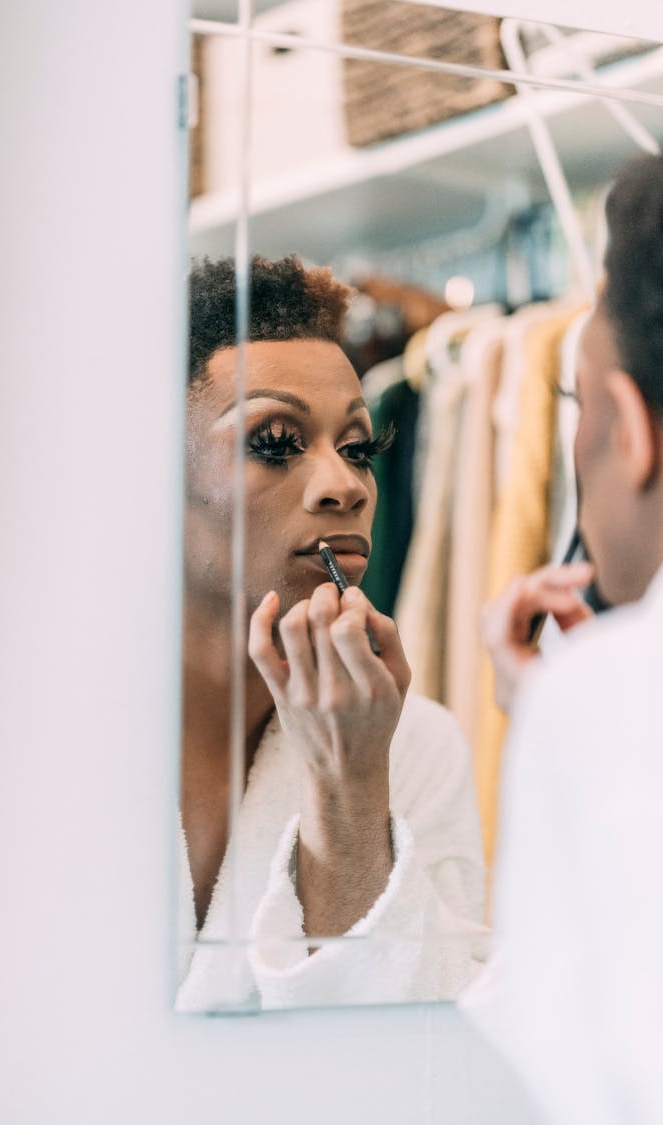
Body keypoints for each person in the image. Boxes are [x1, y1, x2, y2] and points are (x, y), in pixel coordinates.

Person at [177, 253, 487, 1012]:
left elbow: (431, 1054)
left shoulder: (418, 747)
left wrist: (349, 789)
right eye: (276, 441)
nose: (345, 484)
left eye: (358, 448)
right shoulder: (34, 742)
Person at [462, 153, 663, 1124]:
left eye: (577, 409)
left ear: (628, 429)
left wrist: (553, 715)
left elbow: (569, 1073)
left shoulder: (605, 698)